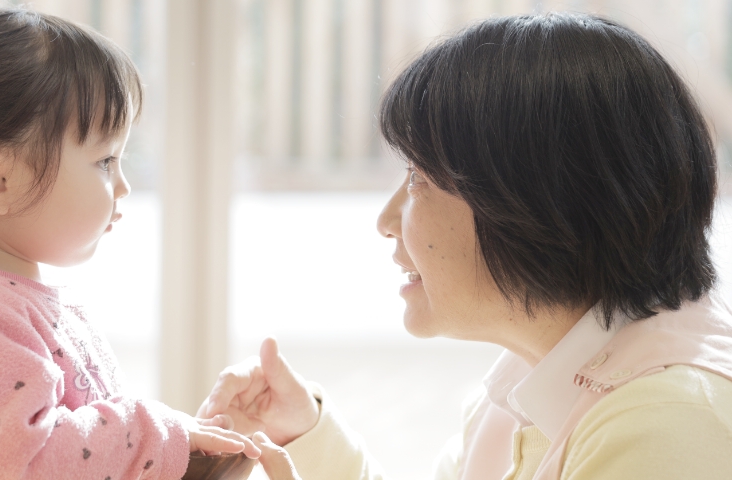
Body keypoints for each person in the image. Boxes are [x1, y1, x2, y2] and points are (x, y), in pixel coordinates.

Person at [197, 12, 732, 480]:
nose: (387, 221)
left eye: (416, 179)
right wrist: (306, 433)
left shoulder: (667, 422)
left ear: (531, 200)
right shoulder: (532, 379)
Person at [0, 7, 258, 480]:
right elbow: (25, 463)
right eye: (105, 161)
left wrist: (186, 448)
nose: (122, 185)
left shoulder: (7, 300)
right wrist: (160, 434)